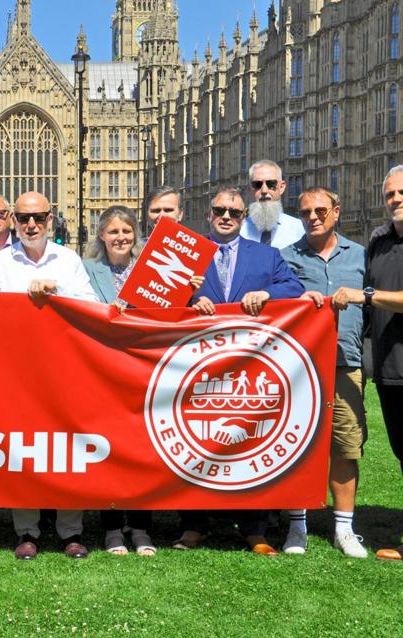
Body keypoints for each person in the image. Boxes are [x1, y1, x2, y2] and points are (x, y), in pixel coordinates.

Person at [177, 186, 304, 556]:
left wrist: (267, 295)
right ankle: (193, 526)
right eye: (219, 210)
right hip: (196, 366)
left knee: (249, 446)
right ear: (208, 214)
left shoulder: (265, 255)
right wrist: (188, 298)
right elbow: (158, 297)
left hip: (249, 367)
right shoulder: (188, 253)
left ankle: (254, 529)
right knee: (193, 442)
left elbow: (292, 285)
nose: (226, 216)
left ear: (244, 217)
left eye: (233, 211)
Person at [0, 190, 97, 560]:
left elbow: (91, 307)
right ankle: (27, 532)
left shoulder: (67, 260)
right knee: (23, 451)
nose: (31, 224)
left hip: (63, 370)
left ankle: (70, 532)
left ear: (51, 220)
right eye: (23, 218)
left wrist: (56, 290)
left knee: (66, 449)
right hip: (17, 372)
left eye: (38, 218)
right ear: (13, 222)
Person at [280, 187, 367, 558]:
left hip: (347, 363)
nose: (312, 217)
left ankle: (343, 528)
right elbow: (273, 301)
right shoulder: (286, 258)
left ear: (336, 211)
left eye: (320, 211)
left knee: (346, 446)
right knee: (297, 445)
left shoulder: (361, 255)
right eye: (305, 213)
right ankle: (297, 525)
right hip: (300, 369)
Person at [332, 164, 403, 560]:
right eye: (391, 194)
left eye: (402, 193)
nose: (396, 200)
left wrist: (368, 296)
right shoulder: (378, 242)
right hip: (391, 368)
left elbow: (370, 296)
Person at [83, 206, 156, 556]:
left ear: (135, 235)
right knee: (107, 451)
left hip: (144, 372)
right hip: (103, 373)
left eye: (126, 232)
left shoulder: (153, 273)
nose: (120, 238)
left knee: (143, 452)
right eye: (113, 232)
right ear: (101, 235)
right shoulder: (87, 270)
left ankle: (141, 527)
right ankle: (112, 528)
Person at [240, 159, 304, 248]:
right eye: (257, 184)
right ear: (250, 188)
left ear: (281, 187)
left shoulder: (299, 228)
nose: (264, 191)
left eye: (271, 184)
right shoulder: (240, 230)